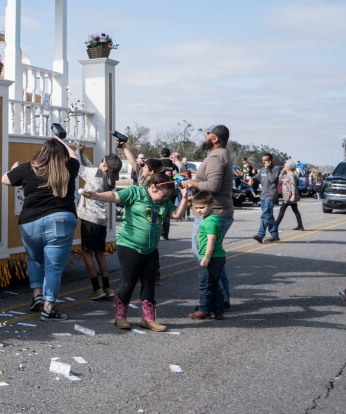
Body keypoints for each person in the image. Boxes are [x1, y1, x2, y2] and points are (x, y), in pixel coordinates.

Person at [82, 173, 189, 331]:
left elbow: (176, 215)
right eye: (163, 195)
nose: (164, 199)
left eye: (168, 196)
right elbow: (114, 196)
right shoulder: (135, 193)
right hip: (129, 245)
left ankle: (148, 319)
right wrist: (96, 195)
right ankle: (120, 317)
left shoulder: (165, 203)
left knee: (149, 283)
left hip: (151, 249)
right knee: (129, 281)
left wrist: (185, 198)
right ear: (153, 187)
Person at [1, 136, 79, 321]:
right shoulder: (69, 167)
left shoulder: (28, 168)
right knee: (53, 268)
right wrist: (61, 141)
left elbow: (5, 179)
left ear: (42, 152)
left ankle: (37, 296)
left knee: (34, 259)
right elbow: (74, 155)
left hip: (30, 223)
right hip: (60, 220)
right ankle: (48, 307)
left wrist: (14, 170)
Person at [184, 125, 235, 308]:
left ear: (215, 139)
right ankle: (222, 299)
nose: (204, 135)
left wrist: (191, 182)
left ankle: (215, 300)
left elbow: (213, 186)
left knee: (204, 257)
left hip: (214, 213)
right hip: (219, 211)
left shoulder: (216, 156)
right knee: (213, 257)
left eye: (208, 133)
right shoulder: (220, 154)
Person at [74, 143, 122, 300]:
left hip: (89, 218)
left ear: (106, 167)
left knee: (87, 254)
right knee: (99, 254)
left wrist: (76, 150)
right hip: (101, 220)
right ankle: (107, 287)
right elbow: (88, 166)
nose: (100, 163)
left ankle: (96, 288)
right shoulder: (110, 180)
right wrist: (82, 152)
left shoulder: (95, 173)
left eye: (102, 162)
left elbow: (80, 167)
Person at [188, 191, 227, 320]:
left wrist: (206, 257)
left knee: (205, 284)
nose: (199, 210)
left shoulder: (209, 221)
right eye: (196, 208)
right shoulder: (210, 219)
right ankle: (218, 311)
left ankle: (204, 310)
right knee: (214, 284)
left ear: (211, 205)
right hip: (216, 257)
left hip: (211, 258)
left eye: (202, 207)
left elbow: (211, 240)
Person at [251, 152, 281, 243]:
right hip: (263, 195)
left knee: (265, 214)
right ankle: (275, 235)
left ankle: (260, 234)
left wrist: (268, 169)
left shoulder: (276, 169)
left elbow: (272, 179)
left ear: (271, 161)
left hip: (270, 195)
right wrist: (252, 179)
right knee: (269, 216)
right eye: (263, 161)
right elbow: (257, 178)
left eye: (266, 160)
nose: (264, 162)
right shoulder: (262, 170)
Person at [276, 160, 304, 231]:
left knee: (282, 210)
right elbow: (280, 177)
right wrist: (283, 170)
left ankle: (275, 225)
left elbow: (293, 185)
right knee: (295, 211)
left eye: (285, 165)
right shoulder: (286, 174)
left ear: (289, 167)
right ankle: (300, 225)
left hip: (289, 196)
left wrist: (293, 195)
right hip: (287, 196)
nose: (284, 165)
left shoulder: (291, 174)